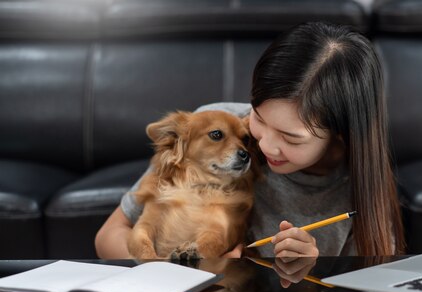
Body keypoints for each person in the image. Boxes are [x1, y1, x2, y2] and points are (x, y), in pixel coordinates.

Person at [95, 21, 405, 260]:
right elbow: (110, 234)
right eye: (258, 116)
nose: (264, 145)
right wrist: (165, 276)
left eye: (290, 138)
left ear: (342, 133)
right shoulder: (216, 124)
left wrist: (310, 273)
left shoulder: (360, 187)